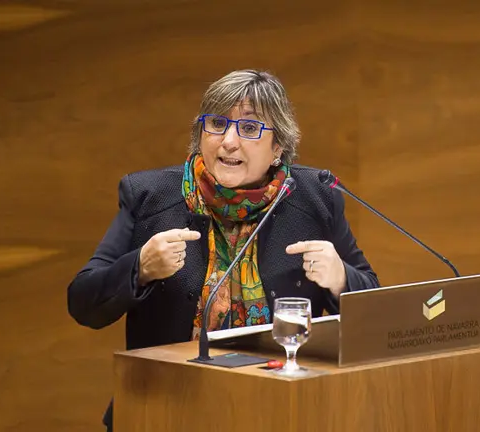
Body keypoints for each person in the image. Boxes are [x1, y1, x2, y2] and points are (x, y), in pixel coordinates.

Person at [66, 69, 380, 431]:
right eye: (217, 124)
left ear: (278, 147)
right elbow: (83, 302)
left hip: (281, 411)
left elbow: (375, 315)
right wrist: (139, 268)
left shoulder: (316, 198)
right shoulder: (149, 196)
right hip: (166, 410)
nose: (229, 141)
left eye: (249, 128)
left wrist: (341, 279)